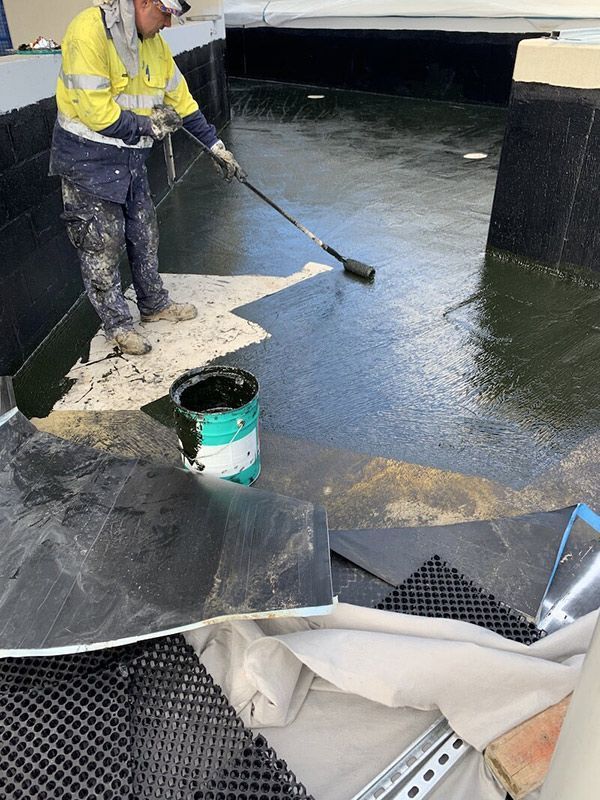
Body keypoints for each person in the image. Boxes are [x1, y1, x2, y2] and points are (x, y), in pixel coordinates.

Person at [50, 0, 244, 355]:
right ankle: (118, 326)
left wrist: (215, 146)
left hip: (130, 159)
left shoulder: (154, 44)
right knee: (102, 244)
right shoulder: (89, 31)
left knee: (144, 233)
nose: (167, 24)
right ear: (141, 2)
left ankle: (154, 305)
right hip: (87, 160)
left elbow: (182, 102)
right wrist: (148, 125)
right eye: (165, 13)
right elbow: (96, 112)